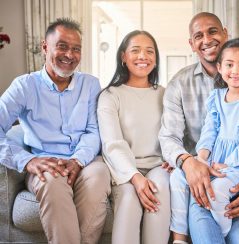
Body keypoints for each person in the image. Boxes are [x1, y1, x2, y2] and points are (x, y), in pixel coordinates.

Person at [159, 12, 239, 244]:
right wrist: (191, 161)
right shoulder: (181, 83)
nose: (207, 39)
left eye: (213, 31)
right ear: (191, 44)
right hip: (203, 174)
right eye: (198, 35)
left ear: (225, 33)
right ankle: (179, 237)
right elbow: (169, 137)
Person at [0, 18, 111, 244]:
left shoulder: (90, 84)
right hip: (45, 162)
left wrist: (78, 161)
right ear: (45, 47)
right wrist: (27, 161)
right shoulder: (24, 86)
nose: (69, 54)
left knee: (100, 175)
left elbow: (93, 131)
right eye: (62, 46)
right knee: (52, 180)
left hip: (85, 161)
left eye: (76, 49)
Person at [97, 30, 170, 244]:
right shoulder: (110, 95)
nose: (143, 56)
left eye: (149, 51)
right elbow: (112, 143)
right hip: (123, 171)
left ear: (156, 60)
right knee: (129, 199)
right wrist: (134, 177)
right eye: (135, 50)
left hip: (158, 166)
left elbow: (175, 134)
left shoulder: (166, 94)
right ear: (123, 57)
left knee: (160, 189)